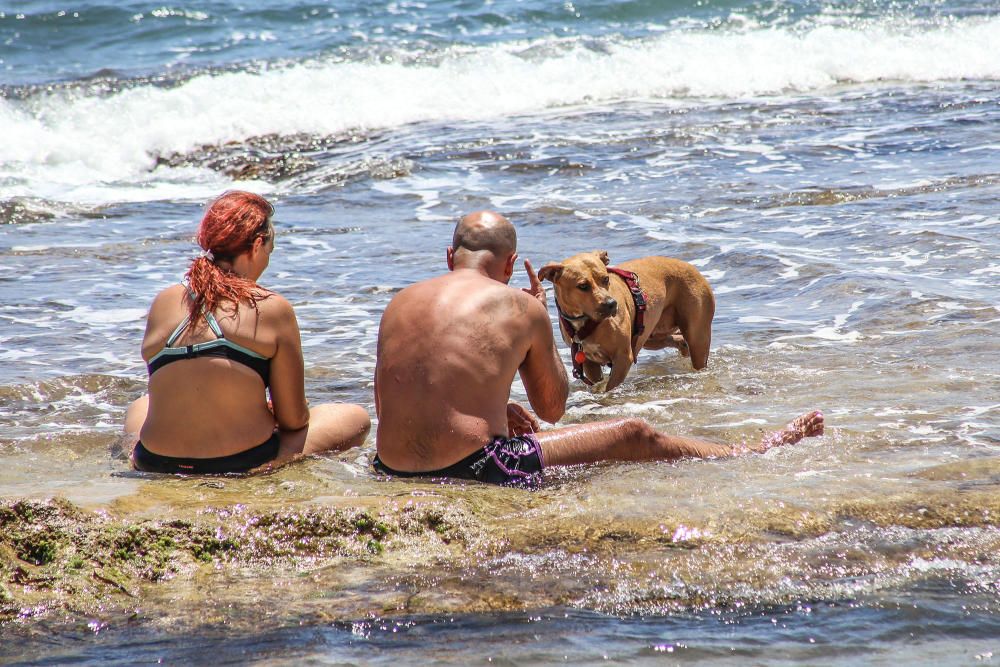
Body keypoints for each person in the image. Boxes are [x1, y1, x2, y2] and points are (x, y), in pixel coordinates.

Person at [372, 210, 823, 487]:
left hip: (388, 466)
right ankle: (751, 451)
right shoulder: (519, 305)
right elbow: (551, 409)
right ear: (511, 263)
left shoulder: (398, 302)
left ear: (450, 258)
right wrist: (536, 315)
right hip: (475, 468)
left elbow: (404, 388)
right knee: (630, 433)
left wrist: (495, 401)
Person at [122, 191, 370, 474]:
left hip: (155, 460)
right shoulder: (271, 307)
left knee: (140, 406)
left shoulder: (164, 301)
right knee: (354, 417)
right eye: (270, 250)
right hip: (239, 460)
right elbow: (294, 421)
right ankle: (270, 468)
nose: (268, 260)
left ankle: (134, 457)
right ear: (257, 244)